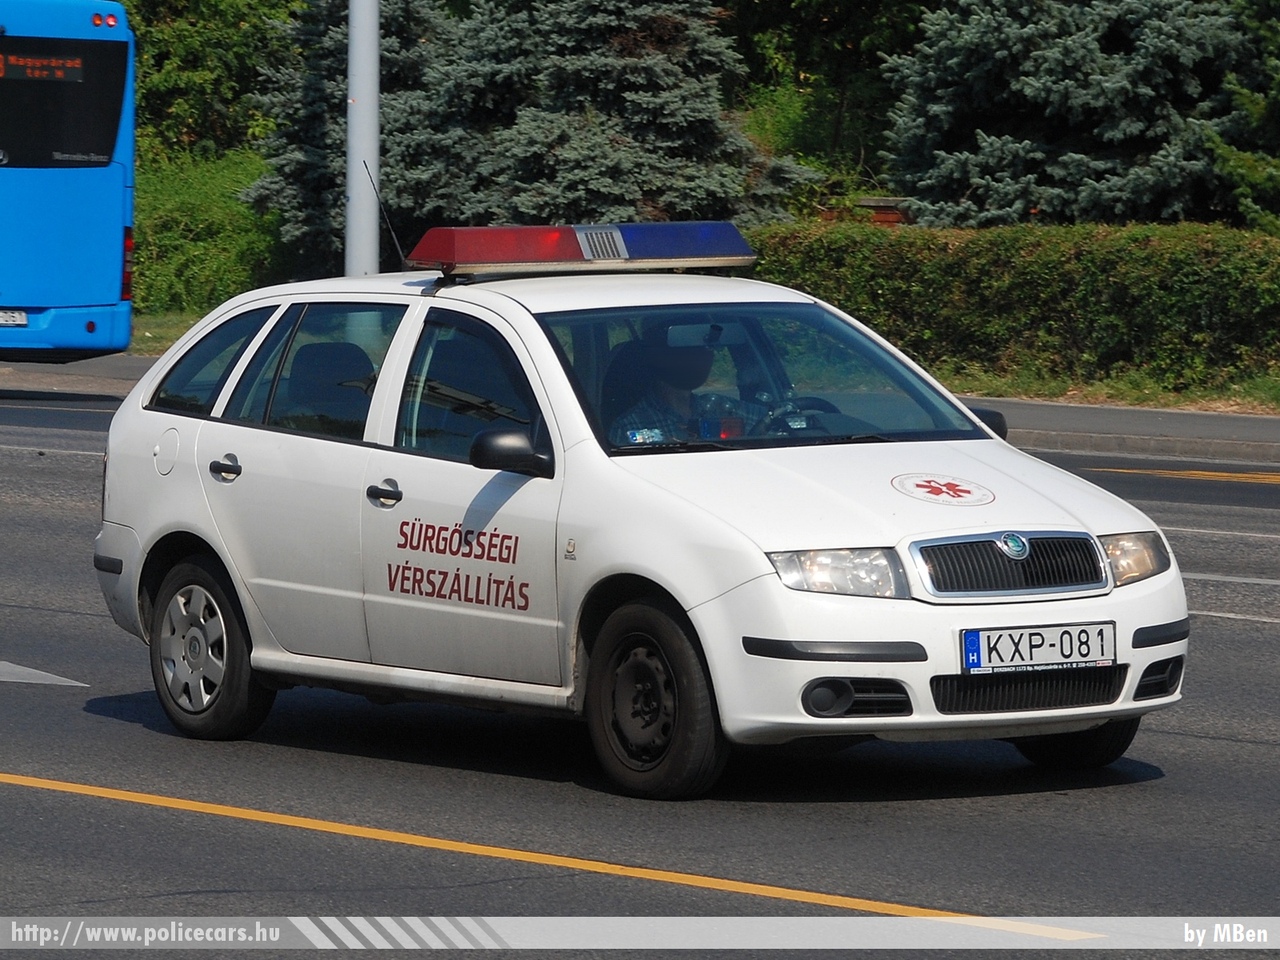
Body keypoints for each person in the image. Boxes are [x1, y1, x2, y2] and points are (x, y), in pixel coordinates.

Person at [608, 327, 765, 445]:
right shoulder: (630, 426)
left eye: (707, 350)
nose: (704, 358)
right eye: (690, 350)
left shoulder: (728, 409)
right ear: (659, 358)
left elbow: (774, 421)